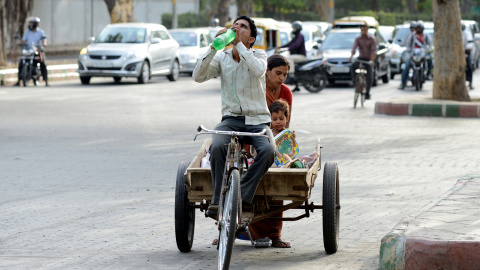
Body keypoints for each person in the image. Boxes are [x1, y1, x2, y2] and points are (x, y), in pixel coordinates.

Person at [192, 15, 276, 219]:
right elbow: (198, 76)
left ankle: (242, 194)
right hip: (230, 119)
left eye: (243, 27)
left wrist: (239, 46)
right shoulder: (222, 57)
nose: (236, 28)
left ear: (251, 39)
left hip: (257, 121)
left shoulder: (259, 55)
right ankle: (217, 199)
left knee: (268, 151)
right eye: (235, 26)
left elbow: (258, 72)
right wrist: (213, 48)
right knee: (217, 145)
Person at [246, 55, 293, 249]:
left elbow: (285, 121)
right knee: (245, 182)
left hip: (275, 143)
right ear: (267, 71)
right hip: (252, 140)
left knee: (276, 187)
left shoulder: (286, 92)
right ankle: (234, 228)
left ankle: (275, 235)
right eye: (277, 73)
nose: (281, 78)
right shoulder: (256, 88)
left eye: (285, 74)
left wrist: (283, 141)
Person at [14, 17, 49, 87]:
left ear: (36, 24)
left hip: (36, 51)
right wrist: (20, 43)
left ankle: (46, 81)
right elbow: (24, 40)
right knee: (21, 63)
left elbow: (44, 39)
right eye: (29, 23)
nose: (30, 25)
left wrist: (44, 43)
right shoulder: (27, 32)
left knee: (42, 63)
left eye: (31, 23)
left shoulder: (40, 32)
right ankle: (19, 80)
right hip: (28, 50)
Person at [398, 21, 433, 90]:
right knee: (406, 66)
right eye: (418, 28)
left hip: (423, 54)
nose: (419, 30)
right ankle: (403, 83)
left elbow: (430, 45)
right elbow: (408, 45)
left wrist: (428, 52)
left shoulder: (425, 36)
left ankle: (429, 74)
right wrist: (409, 53)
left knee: (430, 60)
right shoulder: (412, 35)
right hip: (413, 55)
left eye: (420, 28)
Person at [349, 24, 377, 99]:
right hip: (360, 58)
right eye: (362, 30)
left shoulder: (372, 39)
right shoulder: (358, 39)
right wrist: (351, 56)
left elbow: (374, 51)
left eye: (365, 30)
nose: (363, 32)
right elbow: (354, 48)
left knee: (370, 76)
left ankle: (367, 93)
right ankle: (355, 82)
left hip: (368, 60)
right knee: (353, 66)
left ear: (367, 30)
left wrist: (372, 60)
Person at [280, 21, 307, 92]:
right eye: (293, 28)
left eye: (295, 28)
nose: (293, 29)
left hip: (302, 56)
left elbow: (296, 45)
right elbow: (290, 43)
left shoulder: (300, 36)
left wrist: (288, 49)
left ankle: (291, 75)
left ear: (298, 28)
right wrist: (280, 47)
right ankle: (296, 86)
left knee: (289, 58)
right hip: (297, 55)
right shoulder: (296, 36)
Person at [462, 23, 474, 90]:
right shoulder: (455, 33)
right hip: (458, 52)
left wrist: (468, 48)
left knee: (469, 66)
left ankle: (470, 83)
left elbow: (470, 42)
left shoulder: (467, 33)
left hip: (466, 51)